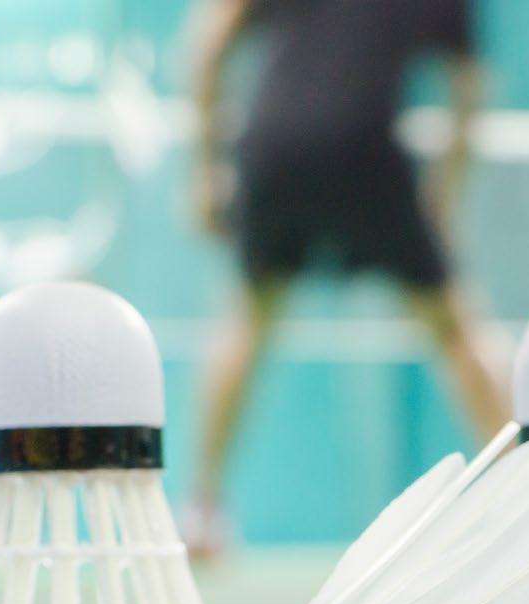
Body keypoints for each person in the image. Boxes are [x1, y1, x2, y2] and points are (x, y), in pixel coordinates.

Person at [187, 0, 508, 552]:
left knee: (247, 319)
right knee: (454, 329)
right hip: (364, 151)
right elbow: (469, 88)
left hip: (275, 144)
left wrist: (203, 166)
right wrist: (445, 196)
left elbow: (209, 43)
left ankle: (200, 507)